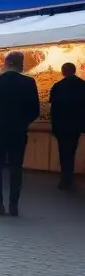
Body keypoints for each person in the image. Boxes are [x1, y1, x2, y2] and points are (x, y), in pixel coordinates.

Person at [0, 51, 40, 216]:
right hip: (19, 132)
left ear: (6, 63)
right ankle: (14, 205)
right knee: (16, 167)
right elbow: (35, 110)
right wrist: (23, 122)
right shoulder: (29, 83)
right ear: (21, 65)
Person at [48, 62, 85, 191]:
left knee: (63, 152)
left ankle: (65, 179)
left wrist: (53, 126)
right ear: (74, 71)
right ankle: (69, 177)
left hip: (61, 126)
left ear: (63, 71)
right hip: (75, 126)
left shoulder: (58, 86)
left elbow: (53, 108)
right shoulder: (82, 85)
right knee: (72, 151)